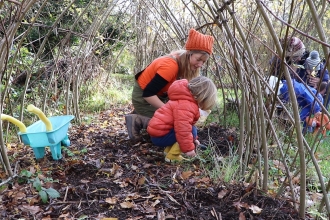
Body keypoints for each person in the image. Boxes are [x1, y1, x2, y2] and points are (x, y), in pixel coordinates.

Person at [125, 29, 215, 141]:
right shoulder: (170, 66)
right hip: (143, 97)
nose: (200, 64)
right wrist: (170, 111)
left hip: (160, 95)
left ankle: (145, 115)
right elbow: (148, 94)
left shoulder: (184, 64)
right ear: (189, 53)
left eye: (204, 62)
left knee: (180, 117)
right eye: (198, 59)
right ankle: (137, 119)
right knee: (174, 121)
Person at [147, 76, 217, 162]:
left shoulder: (182, 99)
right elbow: (183, 129)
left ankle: (168, 151)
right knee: (191, 130)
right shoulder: (187, 105)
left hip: (158, 134)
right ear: (203, 97)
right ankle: (172, 156)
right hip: (160, 137)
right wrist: (189, 149)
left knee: (190, 130)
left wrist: (194, 139)